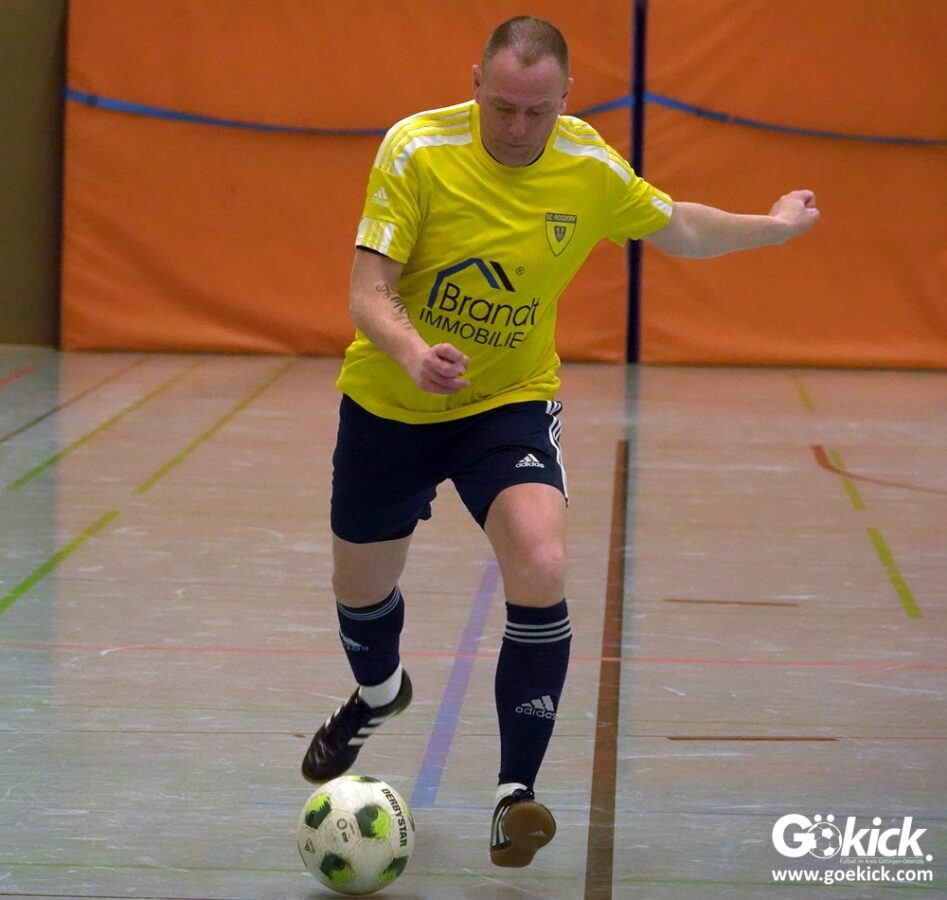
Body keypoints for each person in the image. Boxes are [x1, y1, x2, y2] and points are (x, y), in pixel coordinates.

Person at [302, 15, 819, 868]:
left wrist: (771, 225)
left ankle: (516, 794)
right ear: (474, 81)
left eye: (535, 112)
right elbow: (367, 290)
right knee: (362, 591)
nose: (516, 127)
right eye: (501, 106)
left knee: (540, 562)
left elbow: (679, 227)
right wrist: (412, 352)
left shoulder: (586, 165)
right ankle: (378, 694)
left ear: (566, 99)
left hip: (506, 400)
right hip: (392, 401)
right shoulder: (416, 150)